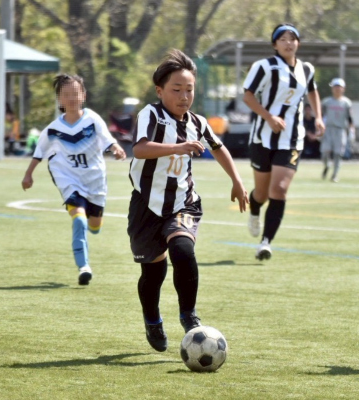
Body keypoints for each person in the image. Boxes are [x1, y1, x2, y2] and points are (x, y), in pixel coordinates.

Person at [127, 49, 248, 352]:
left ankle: (189, 316)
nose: (184, 96)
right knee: (153, 272)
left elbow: (218, 148)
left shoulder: (198, 122)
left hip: (184, 202)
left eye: (189, 89)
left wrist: (237, 180)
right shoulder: (150, 114)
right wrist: (178, 147)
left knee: (182, 250)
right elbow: (140, 149)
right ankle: (152, 319)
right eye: (176, 89)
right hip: (146, 205)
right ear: (160, 91)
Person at [21, 74, 126, 285]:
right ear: (59, 99)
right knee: (79, 219)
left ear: (83, 96)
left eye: (75, 93)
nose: (71, 98)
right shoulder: (53, 129)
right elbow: (39, 152)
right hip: (68, 179)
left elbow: (107, 138)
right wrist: (28, 174)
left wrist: (116, 148)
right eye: (66, 94)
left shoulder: (92, 119)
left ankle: (94, 223)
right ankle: (84, 267)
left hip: (95, 180)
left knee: (94, 225)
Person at [242, 23, 325, 260]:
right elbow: (247, 96)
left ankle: (265, 242)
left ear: (298, 43)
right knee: (261, 194)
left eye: (292, 38)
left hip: (292, 139)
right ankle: (255, 211)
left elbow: (312, 91)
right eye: (283, 39)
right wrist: (269, 117)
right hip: (262, 137)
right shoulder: (264, 66)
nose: (288, 43)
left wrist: (318, 117)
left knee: (278, 189)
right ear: (274, 44)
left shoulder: (307, 69)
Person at [320, 77, 353, 182]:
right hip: (328, 129)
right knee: (325, 152)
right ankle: (327, 165)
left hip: (340, 130)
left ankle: (335, 174)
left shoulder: (346, 103)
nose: (337, 89)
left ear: (343, 89)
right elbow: (321, 116)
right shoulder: (326, 102)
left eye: (339, 87)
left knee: (338, 153)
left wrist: (352, 130)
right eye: (335, 86)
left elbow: (350, 118)